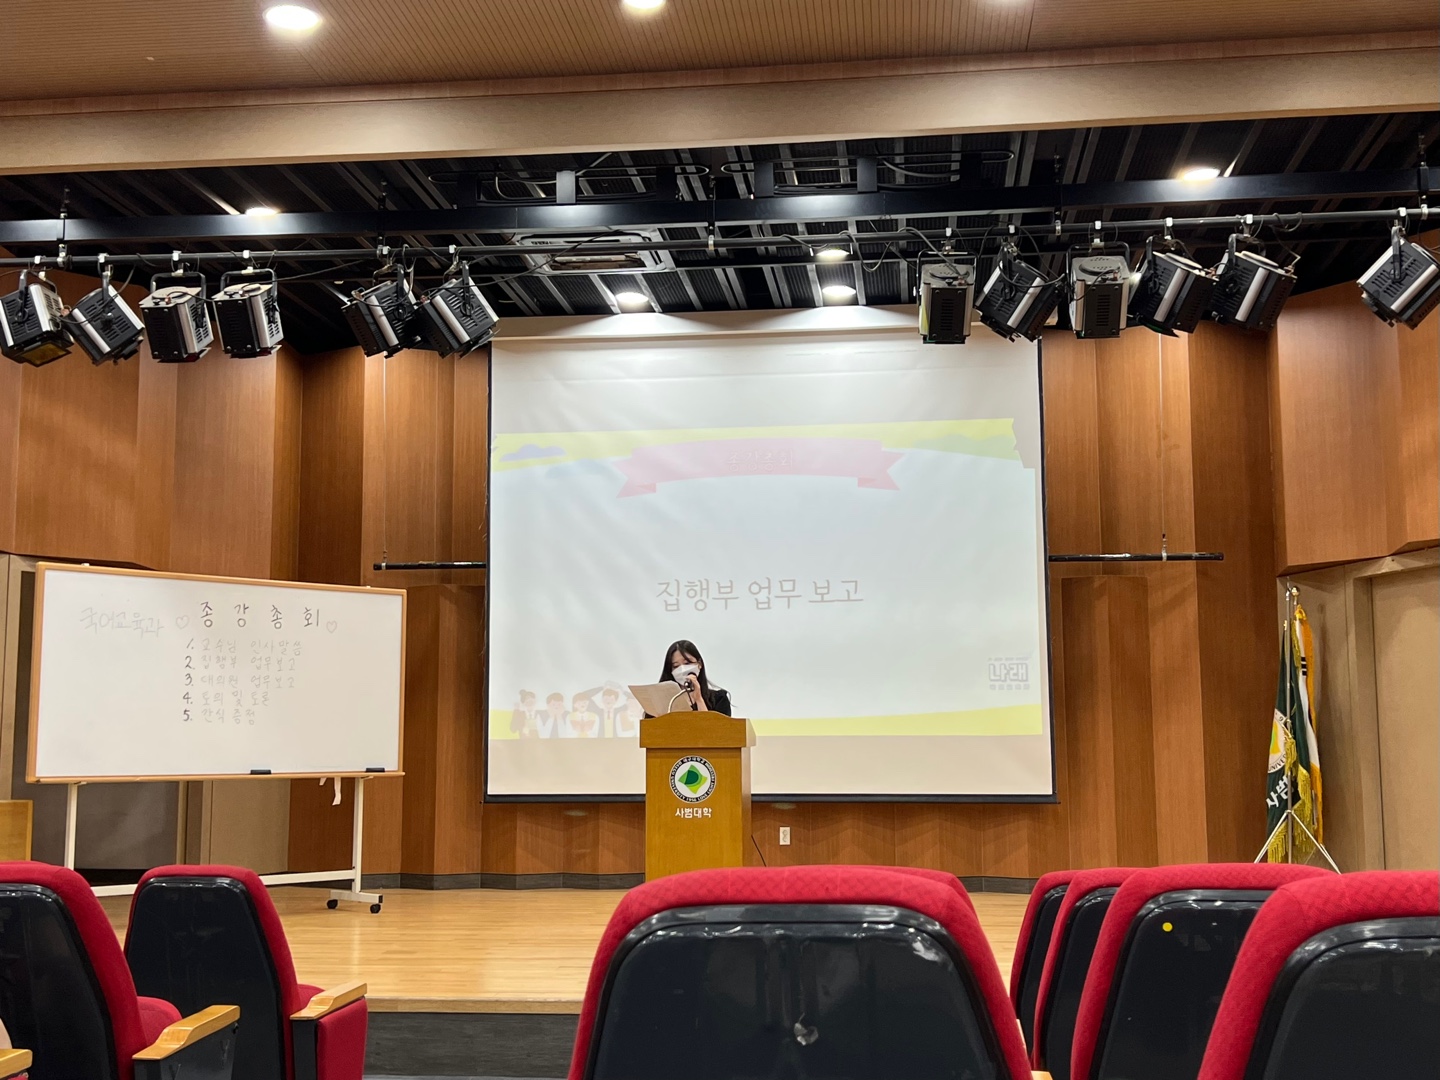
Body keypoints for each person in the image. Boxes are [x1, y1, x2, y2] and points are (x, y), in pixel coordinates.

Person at [658, 639, 732, 715]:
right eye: (676, 666)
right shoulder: (662, 702)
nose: (682, 669)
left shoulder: (719, 699)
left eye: (687, 663)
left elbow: (709, 722)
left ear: (699, 664)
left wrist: (698, 699)